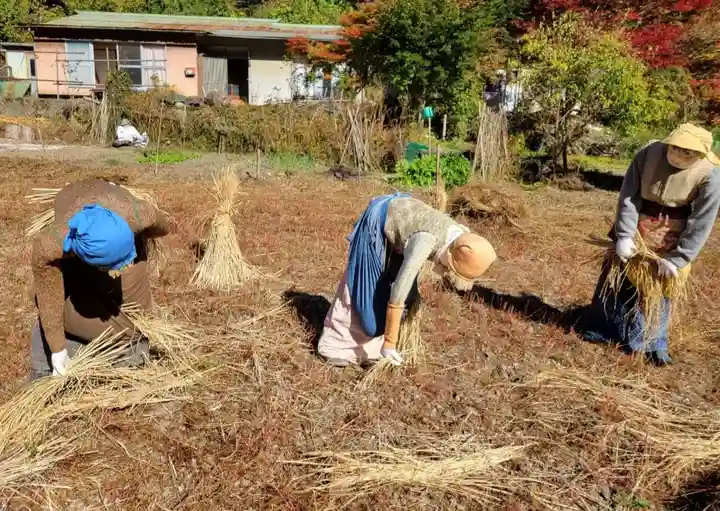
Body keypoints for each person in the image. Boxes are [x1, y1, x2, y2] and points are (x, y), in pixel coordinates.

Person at [583, 123, 720, 365]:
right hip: (635, 227)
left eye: (688, 153)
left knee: (658, 290)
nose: (679, 156)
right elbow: (628, 196)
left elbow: (702, 220)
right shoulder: (647, 153)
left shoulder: (711, 174)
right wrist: (624, 235)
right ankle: (604, 331)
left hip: (671, 238)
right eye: (675, 149)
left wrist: (679, 259)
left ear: (700, 154)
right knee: (617, 280)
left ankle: (649, 344)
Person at [317, 193, 497, 367]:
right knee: (362, 288)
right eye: (451, 268)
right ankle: (335, 346)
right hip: (377, 222)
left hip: (401, 233)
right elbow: (398, 294)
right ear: (450, 255)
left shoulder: (462, 237)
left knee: (400, 298)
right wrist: (390, 342)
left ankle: (371, 350)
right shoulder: (425, 241)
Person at [30, 178, 171, 379]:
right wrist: (58, 350)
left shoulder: (139, 214)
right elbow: (49, 295)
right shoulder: (50, 246)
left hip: (118, 209)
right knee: (56, 299)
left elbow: (163, 227)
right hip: (74, 219)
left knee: (135, 306)